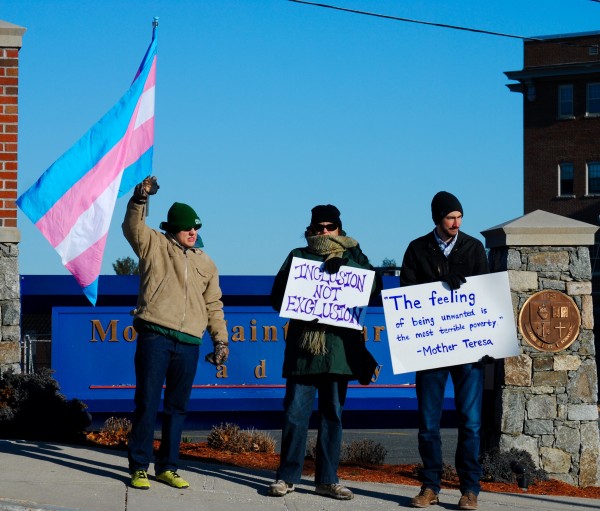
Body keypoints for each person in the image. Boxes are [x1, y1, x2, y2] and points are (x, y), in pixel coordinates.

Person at [267, 204, 382, 501]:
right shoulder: (298, 256)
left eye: (330, 227)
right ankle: (287, 476)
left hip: (339, 352)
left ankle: (328, 479)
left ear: (339, 229)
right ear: (311, 230)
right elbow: (277, 297)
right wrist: (302, 300)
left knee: (333, 415)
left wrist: (346, 265)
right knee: (294, 414)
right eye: (319, 227)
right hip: (303, 351)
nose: (324, 232)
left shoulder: (353, 253)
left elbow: (374, 286)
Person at [123, 176, 229, 490]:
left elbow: (214, 303)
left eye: (196, 228)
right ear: (173, 228)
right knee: (146, 402)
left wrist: (220, 339)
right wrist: (139, 198)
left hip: (190, 343)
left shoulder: (206, 263)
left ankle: (167, 467)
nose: (193, 233)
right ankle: (139, 467)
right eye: (187, 228)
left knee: (177, 408)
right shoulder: (152, 243)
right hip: (155, 335)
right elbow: (132, 228)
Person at [400, 191, 489, 511]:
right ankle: (430, 486)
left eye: (459, 217)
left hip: (467, 350)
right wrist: (438, 285)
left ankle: (470, 489)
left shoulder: (473, 248)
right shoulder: (417, 249)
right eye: (450, 217)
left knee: (471, 422)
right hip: (430, 349)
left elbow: (486, 296)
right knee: (428, 422)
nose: (456, 222)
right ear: (438, 218)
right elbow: (406, 297)